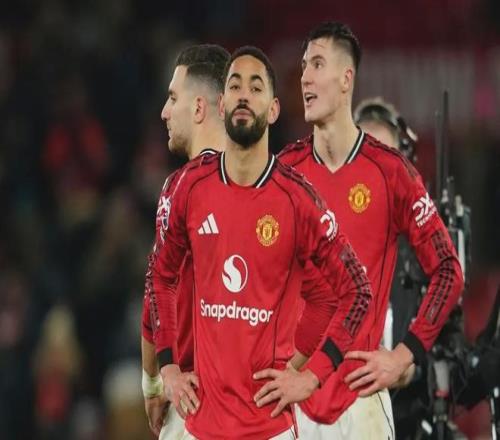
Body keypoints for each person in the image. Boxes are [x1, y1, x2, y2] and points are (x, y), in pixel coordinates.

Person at [148, 45, 373, 439]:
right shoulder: (190, 187)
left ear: (273, 110)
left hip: (269, 430)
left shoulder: (299, 200)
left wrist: (310, 375)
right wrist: (166, 367)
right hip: (200, 426)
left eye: (256, 88)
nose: (244, 96)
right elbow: (160, 276)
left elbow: (357, 291)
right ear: (221, 104)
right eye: (235, 86)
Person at [254, 22, 464, 439]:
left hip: (360, 403)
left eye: (317, 64)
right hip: (289, 401)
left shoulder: (391, 172)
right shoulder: (284, 173)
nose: (305, 77)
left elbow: (448, 270)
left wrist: (404, 354)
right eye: (303, 66)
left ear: (346, 78)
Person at [140, 43, 229, 439]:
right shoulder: (280, 187)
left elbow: (156, 291)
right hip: (263, 410)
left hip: (195, 403)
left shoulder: (181, 188)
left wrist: (153, 381)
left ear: (198, 108)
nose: (164, 111)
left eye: (173, 98)